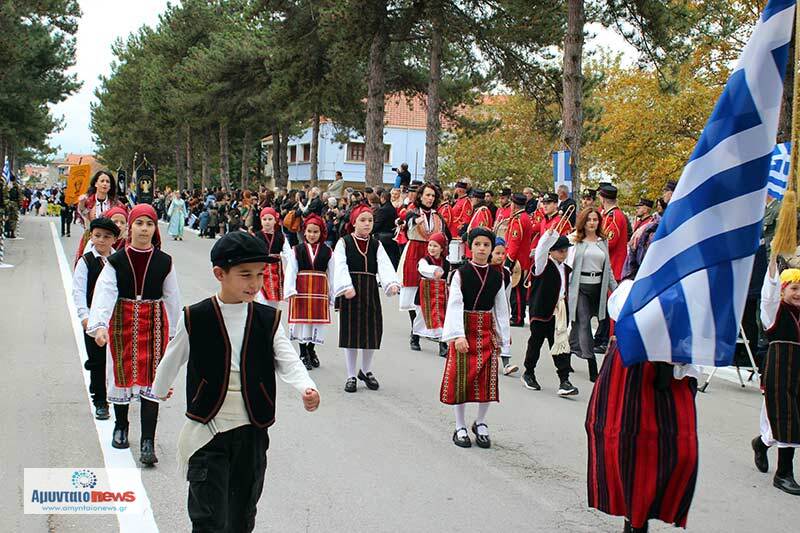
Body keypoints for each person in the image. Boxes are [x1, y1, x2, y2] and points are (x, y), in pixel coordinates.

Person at [151, 231, 320, 532]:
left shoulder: (267, 318)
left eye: (260, 274)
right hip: (207, 431)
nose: (255, 283)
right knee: (208, 518)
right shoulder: (196, 316)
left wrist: (307, 386)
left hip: (252, 432)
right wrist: (159, 390)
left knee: (242, 516)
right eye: (245, 275)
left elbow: (287, 358)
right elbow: (173, 356)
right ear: (220, 273)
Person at [87, 204, 181, 465]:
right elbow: (104, 292)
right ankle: (121, 426)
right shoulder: (116, 260)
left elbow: (173, 298)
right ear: (129, 228)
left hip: (154, 323)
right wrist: (100, 325)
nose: (144, 228)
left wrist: (176, 333)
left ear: (155, 228)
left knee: (153, 378)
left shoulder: (165, 262)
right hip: (122, 320)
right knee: (122, 372)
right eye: (139, 223)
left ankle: (148, 440)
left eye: (149, 224)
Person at [440, 227, 511, 449]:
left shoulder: (498, 275)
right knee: (461, 379)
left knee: (487, 380)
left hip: (486, 330)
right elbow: (454, 305)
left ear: (491, 249)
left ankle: (480, 422)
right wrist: (457, 335)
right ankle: (459, 425)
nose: (481, 248)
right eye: (478, 244)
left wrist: (503, 337)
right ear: (470, 246)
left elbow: (501, 307)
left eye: (486, 245)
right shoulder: (460, 273)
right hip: (465, 328)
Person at [333, 204, 401, 393]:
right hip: (352, 291)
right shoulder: (344, 242)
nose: (367, 224)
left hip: (370, 290)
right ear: (354, 222)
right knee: (351, 333)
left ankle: (366, 370)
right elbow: (339, 265)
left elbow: (384, 265)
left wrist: (390, 283)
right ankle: (350, 375)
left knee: (371, 332)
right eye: (363, 220)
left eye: (370, 220)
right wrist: (345, 286)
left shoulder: (376, 244)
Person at [751, 257, 800, 495]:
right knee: (785, 416)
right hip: (779, 369)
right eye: (794, 288)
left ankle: (760, 444)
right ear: (782, 291)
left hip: (798, 372)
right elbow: (768, 292)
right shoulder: (773, 312)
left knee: (787, 419)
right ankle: (784, 474)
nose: (798, 293)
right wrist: (772, 265)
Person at [73, 218, 121, 420]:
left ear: (115, 240)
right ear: (91, 236)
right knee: (97, 360)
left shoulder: (119, 260)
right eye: (97, 236)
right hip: (93, 318)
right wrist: (85, 317)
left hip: (115, 318)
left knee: (114, 359)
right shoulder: (86, 261)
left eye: (107, 237)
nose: (101, 240)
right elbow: (78, 290)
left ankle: (116, 396)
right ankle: (100, 400)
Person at [521, 229, 577, 396]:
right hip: (541, 312)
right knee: (535, 344)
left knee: (560, 345)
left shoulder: (566, 268)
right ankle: (528, 372)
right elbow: (540, 249)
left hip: (559, 313)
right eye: (561, 250)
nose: (564, 253)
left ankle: (564, 380)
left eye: (566, 250)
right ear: (551, 251)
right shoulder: (542, 265)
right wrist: (549, 236)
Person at [567, 207, 616, 382]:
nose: (592, 223)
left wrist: (617, 291)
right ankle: (591, 362)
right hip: (580, 287)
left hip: (598, 287)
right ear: (583, 221)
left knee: (579, 325)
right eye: (589, 220)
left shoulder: (603, 241)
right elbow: (566, 264)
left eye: (595, 219)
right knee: (584, 322)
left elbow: (608, 269)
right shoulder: (575, 240)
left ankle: (568, 351)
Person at [398, 183, 447, 351]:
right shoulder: (412, 213)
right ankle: (415, 329)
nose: (430, 198)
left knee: (434, 294)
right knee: (413, 293)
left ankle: (428, 331)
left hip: (432, 253)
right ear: (420, 196)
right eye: (427, 195)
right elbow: (405, 227)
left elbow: (443, 236)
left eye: (433, 196)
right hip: (415, 251)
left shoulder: (438, 217)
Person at [284, 215, 335, 370]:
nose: (312, 235)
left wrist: (333, 294)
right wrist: (290, 289)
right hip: (301, 290)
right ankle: (302, 352)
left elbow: (332, 273)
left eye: (316, 232)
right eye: (309, 231)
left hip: (319, 290)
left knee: (316, 322)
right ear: (304, 232)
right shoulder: (297, 250)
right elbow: (291, 270)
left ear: (321, 233)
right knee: (301, 322)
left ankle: (311, 350)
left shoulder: (327, 251)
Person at [412, 232, 450, 358]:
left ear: (442, 248)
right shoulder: (425, 260)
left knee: (441, 319)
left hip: (439, 294)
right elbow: (422, 268)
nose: (432, 248)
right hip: (425, 293)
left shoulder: (446, 263)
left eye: (435, 246)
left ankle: (442, 345)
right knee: (421, 318)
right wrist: (434, 271)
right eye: (430, 245)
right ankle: (415, 337)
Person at [75, 171, 123, 266]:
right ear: (96, 183)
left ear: (110, 186)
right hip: (92, 239)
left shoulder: (116, 204)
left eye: (107, 181)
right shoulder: (87, 201)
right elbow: (84, 216)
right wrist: (81, 204)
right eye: (102, 181)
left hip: (110, 241)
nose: (105, 184)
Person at [505, 193, 534, 327]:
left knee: (516, 291)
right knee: (519, 291)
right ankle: (518, 315)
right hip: (523, 260)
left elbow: (514, 242)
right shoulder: (525, 217)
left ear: (514, 205)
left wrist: (509, 260)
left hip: (518, 261)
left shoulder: (518, 220)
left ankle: (517, 317)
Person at [491, 236, 519, 375]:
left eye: (503, 253)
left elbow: (507, 293)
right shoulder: (486, 269)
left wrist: (506, 310)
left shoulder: (506, 272)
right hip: (488, 308)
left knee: (503, 332)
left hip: (501, 309)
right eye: (497, 253)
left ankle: (506, 364)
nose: (501, 256)